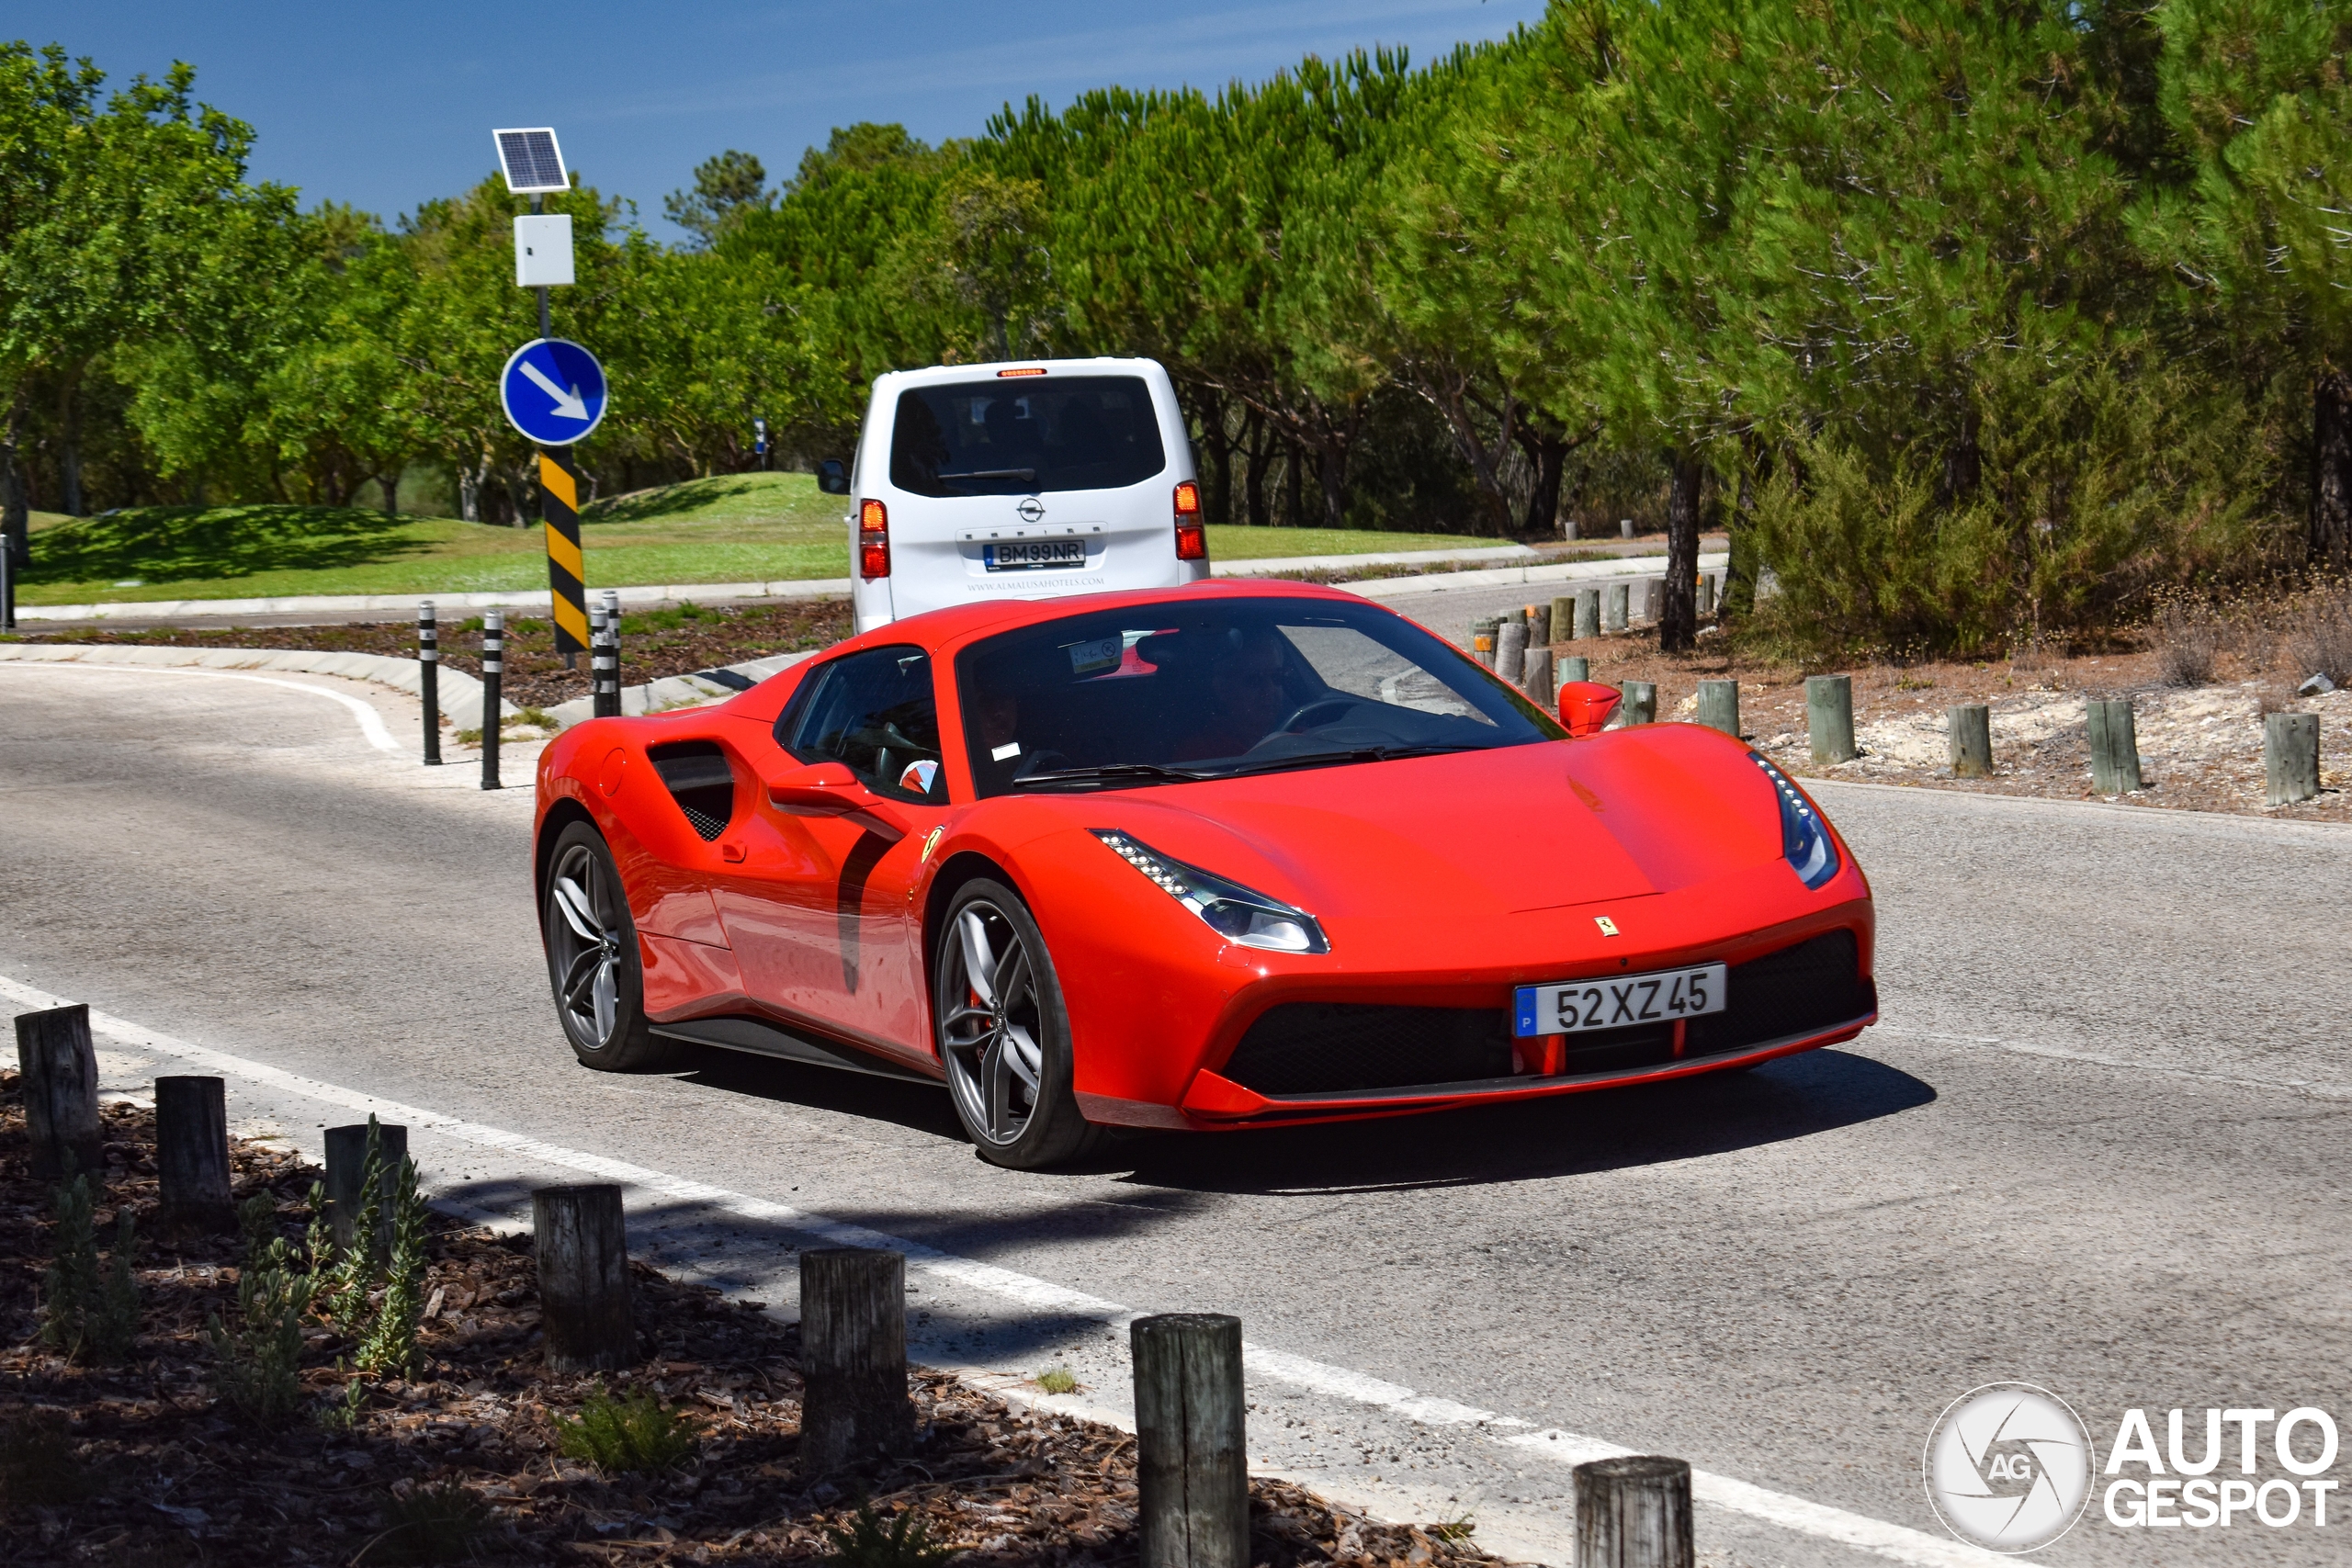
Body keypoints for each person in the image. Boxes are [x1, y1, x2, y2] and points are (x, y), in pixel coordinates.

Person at [1170, 626, 1291, 761]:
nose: (1269, 689)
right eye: (1254, 680)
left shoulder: (1301, 738)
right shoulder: (1202, 753)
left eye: (1276, 677)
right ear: (1223, 689)